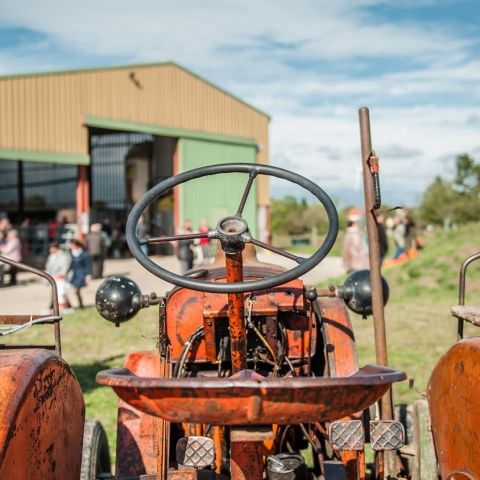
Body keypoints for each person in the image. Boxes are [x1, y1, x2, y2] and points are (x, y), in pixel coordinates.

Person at [45, 242, 71, 310]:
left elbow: (65, 266)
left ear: (55, 248)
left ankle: (63, 306)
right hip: (52, 276)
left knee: (61, 292)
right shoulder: (51, 256)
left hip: (60, 277)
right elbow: (48, 266)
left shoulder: (63, 256)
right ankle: (54, 306)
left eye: (51, 248)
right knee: (55, 292)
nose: (50, 250)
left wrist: (62, 274)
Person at [342, 208, 369, 273]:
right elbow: (356, 249)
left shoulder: (349, 233)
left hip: (354, 264)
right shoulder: (354, 233)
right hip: (358, 265)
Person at [68, 239, 91, 309]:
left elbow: (88, 265)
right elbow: (70, 265)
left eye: (73, 245)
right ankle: (79, 304)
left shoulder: (84, 254)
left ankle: (80, 304)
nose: (71, 246)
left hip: (81, 274)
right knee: (75, 291)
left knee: (77, 290)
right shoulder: (71, 253)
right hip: (74, 274)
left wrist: (88, 275)